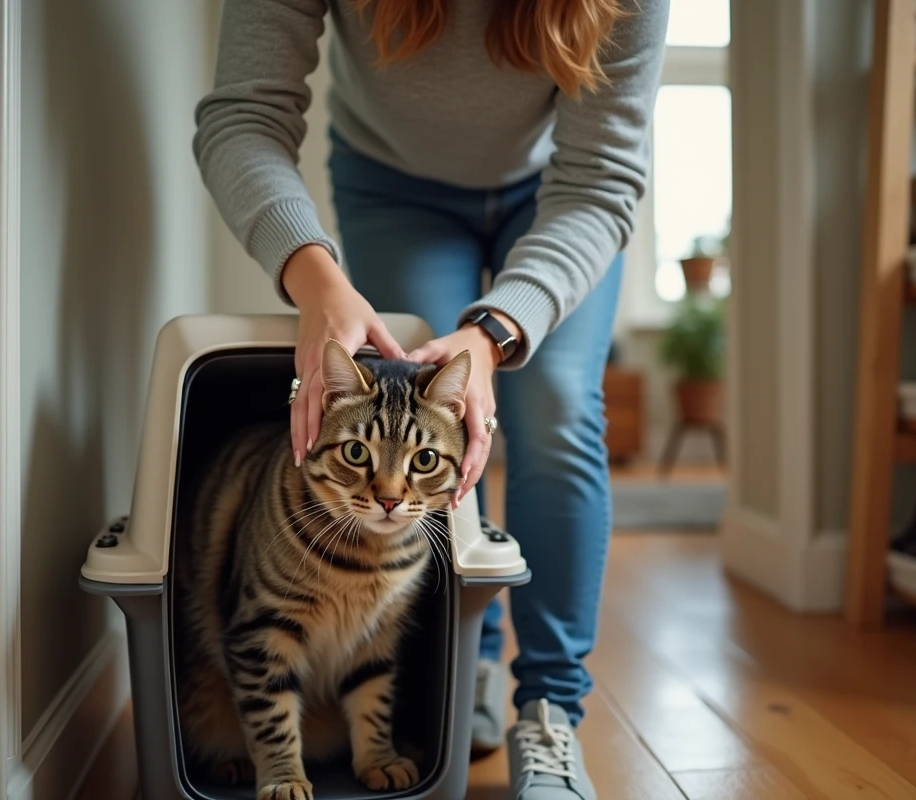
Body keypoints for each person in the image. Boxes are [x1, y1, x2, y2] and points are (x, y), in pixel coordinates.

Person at [194, 1, 667, 796]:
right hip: (392, 184)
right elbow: (243, 113)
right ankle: (468, 668)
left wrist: (494, 335)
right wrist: (313, 280)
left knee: (554, 405)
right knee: (409, 413)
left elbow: (603, 175)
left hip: (566, 184)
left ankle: (550, 710)